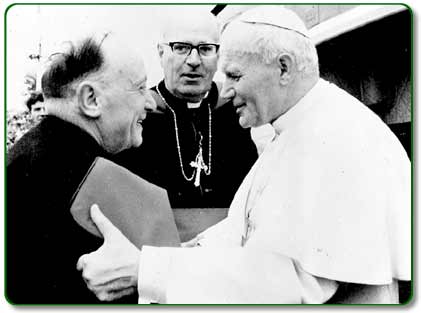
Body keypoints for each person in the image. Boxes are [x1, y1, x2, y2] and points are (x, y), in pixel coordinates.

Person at [77, 7, 410, 304]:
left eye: (235, 75)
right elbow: (243, 227)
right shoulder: (294, 128)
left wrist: (147, 270)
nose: (227, 89)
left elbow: (296, 283)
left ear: (284, 68)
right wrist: (180, 254)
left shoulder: (335, 136)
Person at [6, 32, 156, 304]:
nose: (151, 102)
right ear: (91, 99)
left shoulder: (23, 158)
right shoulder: (94, 178)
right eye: (140, 88)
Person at [113, 11, 257, 208]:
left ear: (219, 56)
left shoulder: (235, 107)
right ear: (161, 53)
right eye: (181, 48)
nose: (194, 60)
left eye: (206, 49)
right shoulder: (138, 114)